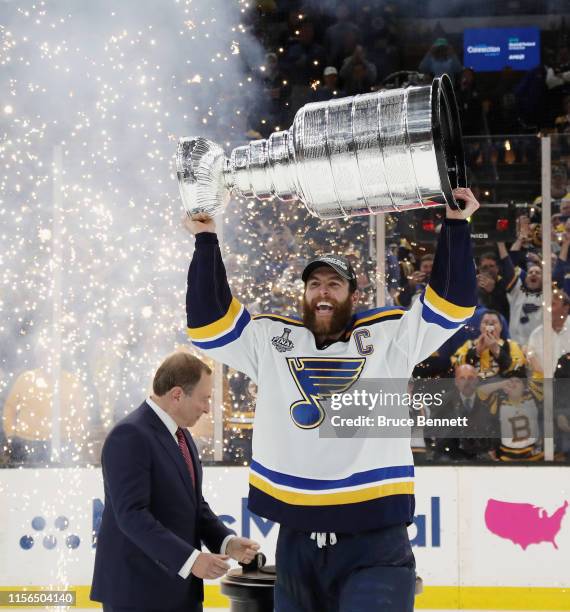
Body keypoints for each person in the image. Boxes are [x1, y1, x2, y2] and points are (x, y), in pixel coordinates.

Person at [184, 187, 480, 611]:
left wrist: (455, 224)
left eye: (334, 284)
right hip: (298, 539)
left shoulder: (388, 337)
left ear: (351, 295)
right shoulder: (274, 341)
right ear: (304, 293)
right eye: (315, 284)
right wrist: (206, 238)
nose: (323, 292)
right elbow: (208, 325)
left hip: (375, 538)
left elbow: (451, 306)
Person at [90, 352, 259, 612]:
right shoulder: (130, 435)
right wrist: (191, 560)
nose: (207, 408)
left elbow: (194, 506)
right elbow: (132, 516)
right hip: (137, 593)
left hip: (178, 591)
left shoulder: (181, 435)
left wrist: (227, 542)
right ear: (177, 394)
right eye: (204, 399)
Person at [452, 310, 526, 380]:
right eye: (486, 322)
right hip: (473, 388)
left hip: (502, 388)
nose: (490, 325)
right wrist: (476, 351)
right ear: (480, 327)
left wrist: (497, 351)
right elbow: (456, 365)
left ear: (501, 326)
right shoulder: (469, 345)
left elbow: (517, 367)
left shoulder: (512, 345)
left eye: (494, 322)